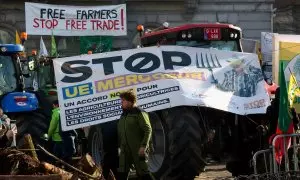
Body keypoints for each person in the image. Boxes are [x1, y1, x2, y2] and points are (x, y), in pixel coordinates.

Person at [117, 90, 153, 180]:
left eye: (123, 101)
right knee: (122, 173)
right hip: (125, 150)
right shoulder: (124, 115)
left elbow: (148, 130)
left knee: (143, 173)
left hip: (138, 149)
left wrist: (144, 146)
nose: (121, 103)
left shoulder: (140, 112)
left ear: (130, 101)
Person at [47, 100, 76, 164]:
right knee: (65, 154)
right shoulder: (65, 112)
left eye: (53, 105)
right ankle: (66, 166)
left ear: (55, 105)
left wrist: (48, 136)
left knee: (56, 154)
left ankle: (57, 167)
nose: (53, 107)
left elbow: (52, 127)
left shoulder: (56, 113)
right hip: (66, 137)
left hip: (58, 137)